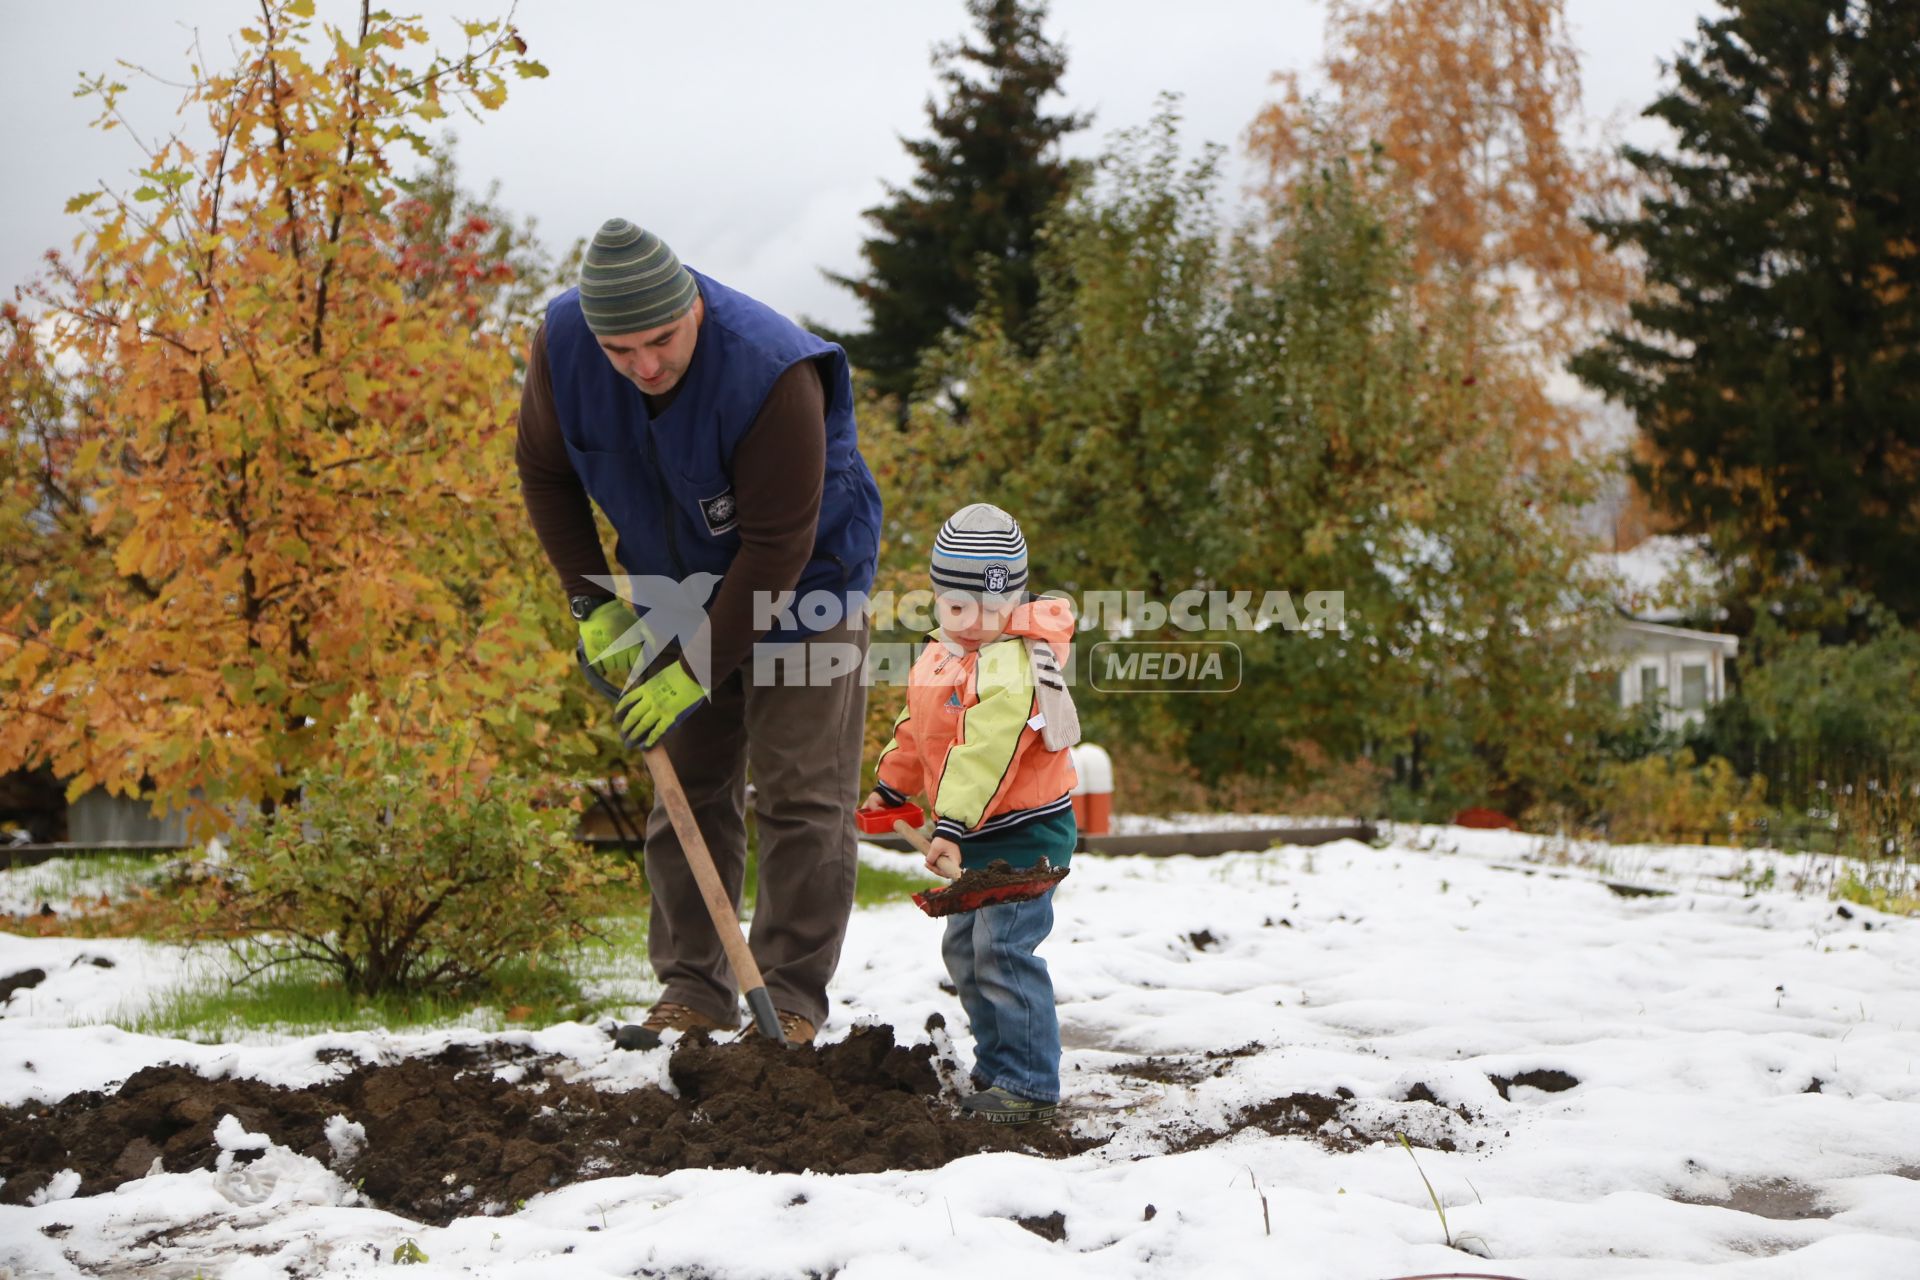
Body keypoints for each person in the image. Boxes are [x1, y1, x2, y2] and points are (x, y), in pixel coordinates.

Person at [516, 219, 880, 1046]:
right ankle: (695, 988)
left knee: (802, 794)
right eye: (621, 350)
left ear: (694, 310)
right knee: (688, 784)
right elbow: (544, 470)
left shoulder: (770, 371)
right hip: (673, 583)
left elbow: (777, 548)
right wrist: (592, 601)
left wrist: (698, 667)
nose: (644, 366)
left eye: (661, 341)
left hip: (806, 582)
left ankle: (788, 996)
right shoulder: (563, 345)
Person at [860, 504, 1080, 1121]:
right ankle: (999, 1063)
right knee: (965, 952)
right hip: (974, 833)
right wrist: (895, 790)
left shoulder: (1017, 662)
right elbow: (919, 731)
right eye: (956, 606)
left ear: (1013, 597)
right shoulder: (944, 652)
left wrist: (950, 828)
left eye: (988, 608)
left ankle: (1030, 1086)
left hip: (1023, 832)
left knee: (1004, 954)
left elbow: (986, 752)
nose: (973, 620)